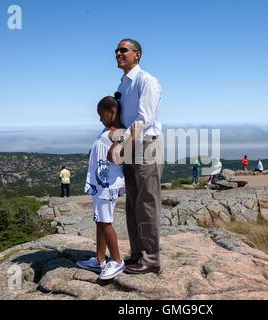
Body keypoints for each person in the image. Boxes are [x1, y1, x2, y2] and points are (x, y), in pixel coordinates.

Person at [113, 39, 164, 274]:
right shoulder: (124, 84)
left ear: (138, 54)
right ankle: (137, 254)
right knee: (133, 203)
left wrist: (122, 147)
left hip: (145, 145)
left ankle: (151, 258)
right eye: (117, 50)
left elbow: (144, 119)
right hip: (132, 145)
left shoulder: (146, 81)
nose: (118, 53)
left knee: (147, 203)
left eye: (124, 50)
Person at [76, 96, 126, 280]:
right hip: (100, 183)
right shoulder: (109, 130)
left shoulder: (120, 132)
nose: (99, 119)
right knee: (100, 220)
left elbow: (116, 157)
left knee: (105, 221)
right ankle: (99, 259)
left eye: (101, 114)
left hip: (108, 184)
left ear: (112, 112)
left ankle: (117, 260)